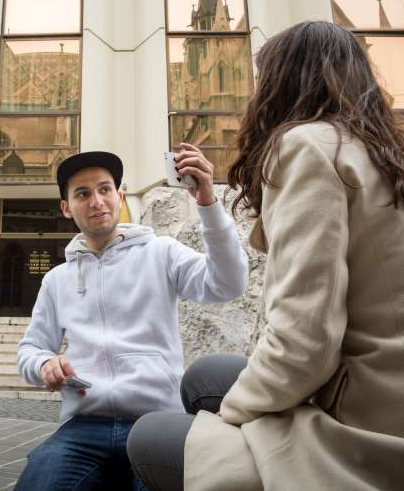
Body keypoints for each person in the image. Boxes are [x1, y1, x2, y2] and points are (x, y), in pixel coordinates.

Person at [126, 21, 404, 490]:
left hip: (393, 427)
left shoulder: (304, 146)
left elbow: (306, 342)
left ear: (281, 84)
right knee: (206, 376)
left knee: (151, 436)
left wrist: (226, 423)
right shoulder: (396, 156)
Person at [14, 147, 250, 490]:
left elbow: (228, 283)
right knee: (41, 479)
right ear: (66, 208)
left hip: (156, 422)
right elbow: (30, 349)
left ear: (119, 196)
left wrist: (208, 204)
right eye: (83, 193)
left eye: (105, 189)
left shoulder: (161, 253)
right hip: (83, 428)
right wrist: (44, 364)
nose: (97, 201)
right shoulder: (57, 280)